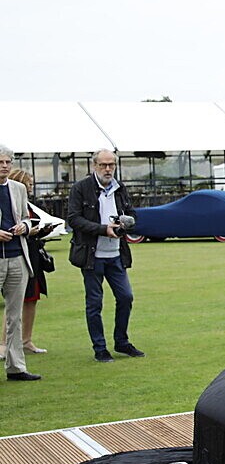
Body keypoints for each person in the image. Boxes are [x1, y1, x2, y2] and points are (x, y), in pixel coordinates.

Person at [67, 149, 144, 363]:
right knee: (94, 303)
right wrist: (103, 229)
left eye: (111, 165)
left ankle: (121, 341)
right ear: (94, 166)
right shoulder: (80, 188)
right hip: (92, 255)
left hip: (116, 254)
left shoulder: (120, 188)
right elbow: (73, 219)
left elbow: (131, 213)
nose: (108, 169)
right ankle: (100, 348)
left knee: (126, 297)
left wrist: (126, 222)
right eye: (103, 165)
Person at [0, 147, 40, 380]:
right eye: (0, 162)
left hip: (17, 257)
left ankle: (16, 367)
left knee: (14, 316)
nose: (5, 166)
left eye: (8, 162)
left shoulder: (18, 188)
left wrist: (24, 226)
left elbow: (26, 217)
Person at [10, 168, 50, 355]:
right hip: (19, 256)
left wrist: (41, 231)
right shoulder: (12, 203)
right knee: (14, 303)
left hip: (34, 257)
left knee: (32, 299)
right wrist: (28, 231)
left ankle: (26, 340)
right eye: (29, 184)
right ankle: (5, 344)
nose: (32, 188)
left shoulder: (28, 204)